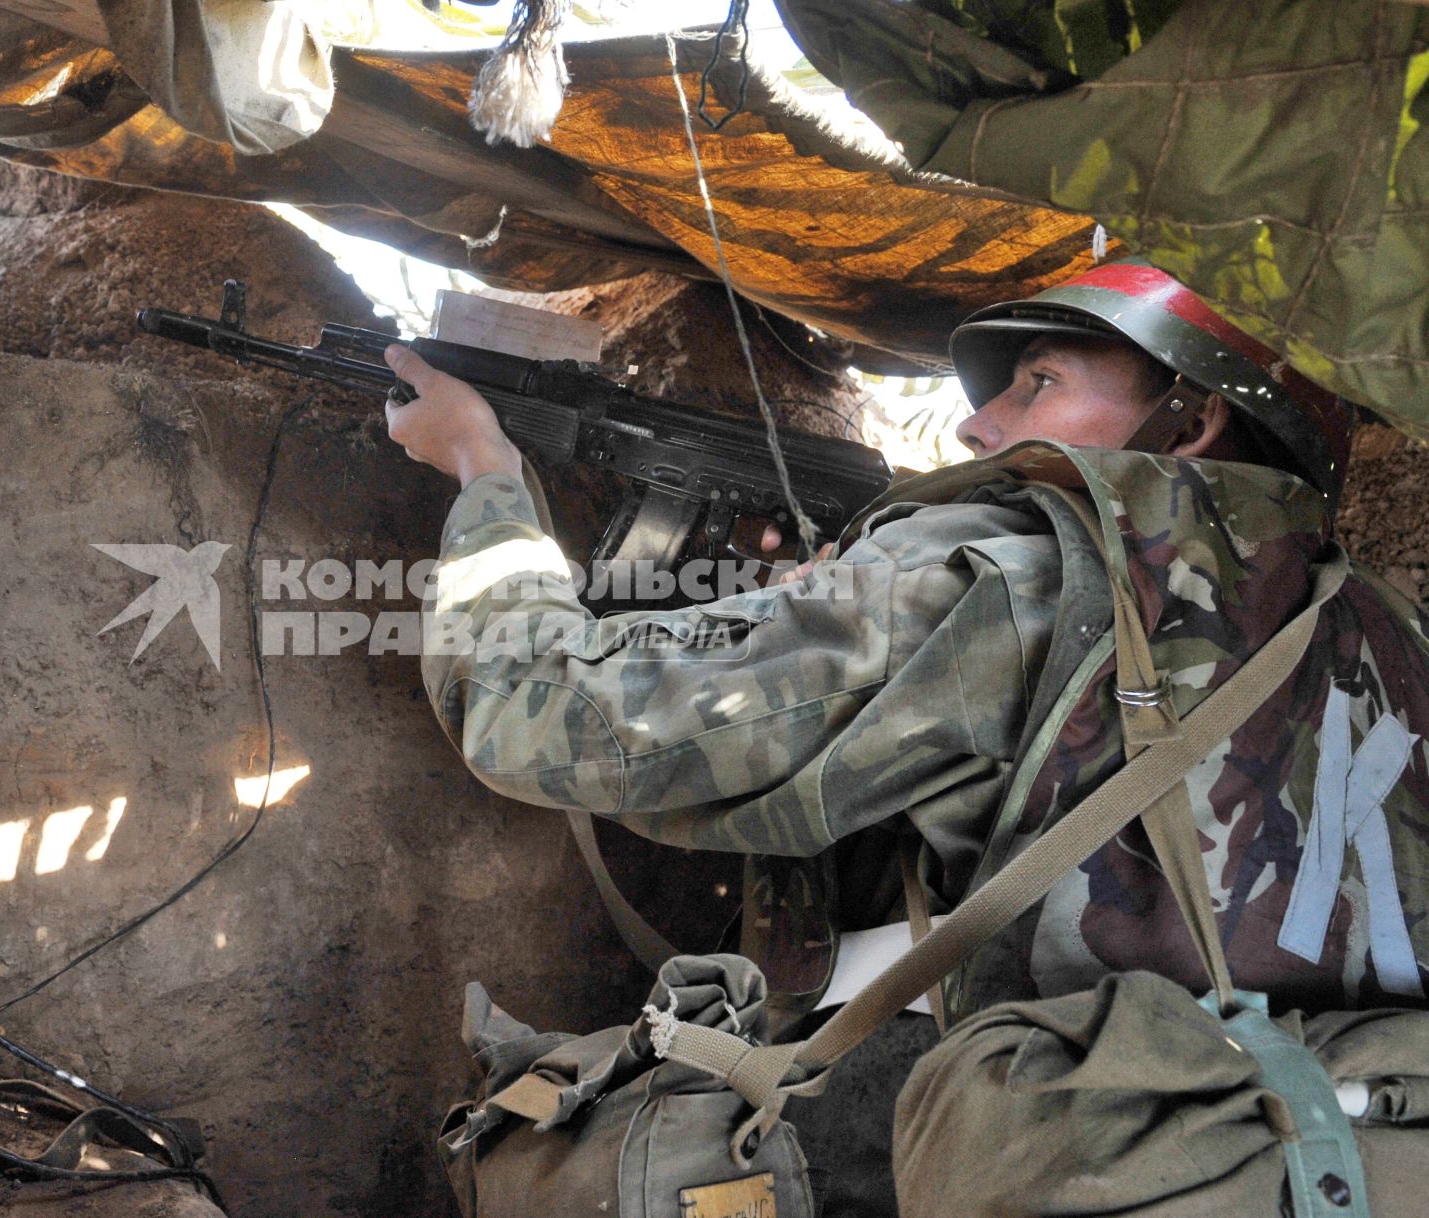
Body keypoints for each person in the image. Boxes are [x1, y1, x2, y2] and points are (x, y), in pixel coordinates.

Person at [384, 258, 1429, 1033]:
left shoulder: (1007, 570)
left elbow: (539, 713)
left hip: (1093, 1150)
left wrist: (485, 473)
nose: (980, 428)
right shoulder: (1389, 628)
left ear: (1190, 423)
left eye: (1038, 382)